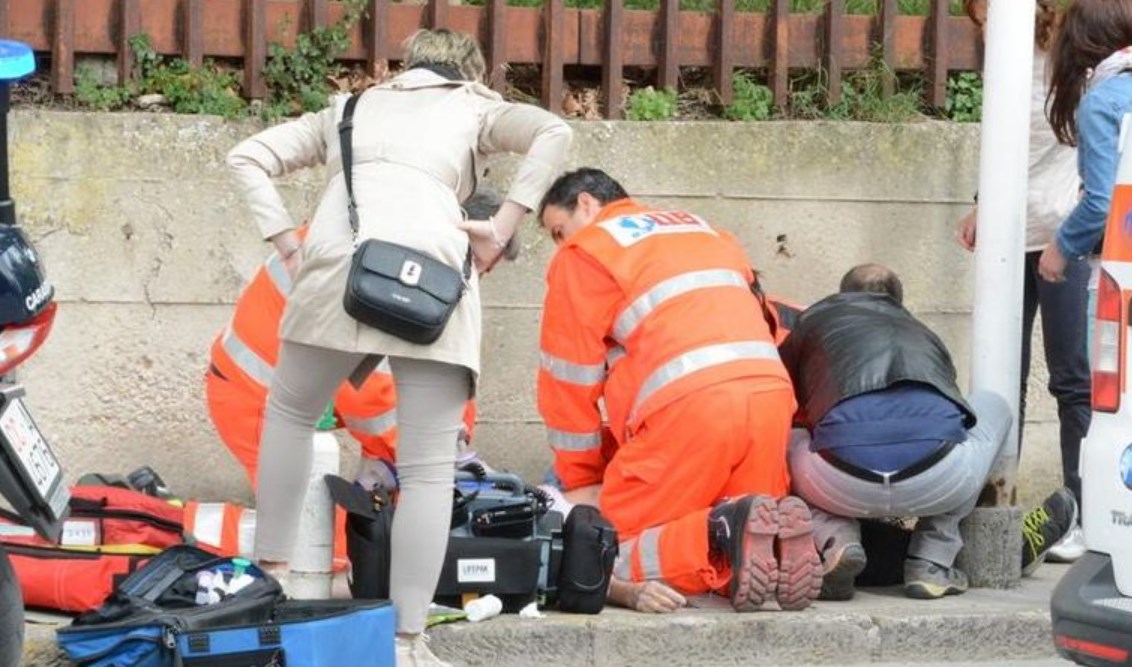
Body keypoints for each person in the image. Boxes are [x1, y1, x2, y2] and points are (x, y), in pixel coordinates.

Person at [225, 28, 571, 666]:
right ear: (471, 74)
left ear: (405, 68)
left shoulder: (347, 109)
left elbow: (247, 155)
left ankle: (264, 586)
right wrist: (501, 224)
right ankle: (407, 642)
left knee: (292, 414)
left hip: (336, 271)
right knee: (429, 468)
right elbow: (555, 131)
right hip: (433, 281)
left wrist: (289, 244)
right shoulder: (475, 106)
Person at [536, 168, 821, 613]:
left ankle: (720, 534)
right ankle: (766, 549)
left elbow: (568, 381)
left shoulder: (585, 253)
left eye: (558, 230)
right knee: (753, 531)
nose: (559, 244)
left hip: (690, 409)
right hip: (768, 398)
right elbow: (765, 319)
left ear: (587, 204)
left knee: (604, 546)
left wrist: (582, 479)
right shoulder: (707, 231)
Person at [205, 189, 509, 488]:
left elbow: (442, 373)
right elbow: (370, 398)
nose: (475, 278)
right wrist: (433, 457)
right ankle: (171, 524)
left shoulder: (396, 253)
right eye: (478, 264)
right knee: (311, 532)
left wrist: (456, 442)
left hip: (272, 394)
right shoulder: (380, 267)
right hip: (256, 399)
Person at [781, 263, 1016, 600]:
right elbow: (953, 415)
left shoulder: (812, 324)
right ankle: (932, 560)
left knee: (790, 437)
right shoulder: (922, 332)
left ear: (842, 294)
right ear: (899, 301)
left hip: (839, 483)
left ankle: (837, 540)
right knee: (991, 406)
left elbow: (781, 396)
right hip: (938, 479)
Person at [958, 0, 1092, 565]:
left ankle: (1081, 511)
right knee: (999, 377)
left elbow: (1052, 139)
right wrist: (984, 204)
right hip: (1013, 233)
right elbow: (1002, 142)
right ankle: (986, 503)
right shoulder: (1002, 57)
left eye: (987, 10)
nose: (984, 22)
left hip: (1063, 230)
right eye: (978, 16)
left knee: (1072, 379)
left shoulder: (1067, 53)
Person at [1036, 0, 1132, 560]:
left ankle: (1091, 517)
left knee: (1095, 392)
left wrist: (1062, 249)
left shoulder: (1102, 98)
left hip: (1113, 267)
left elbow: (1103, 200)